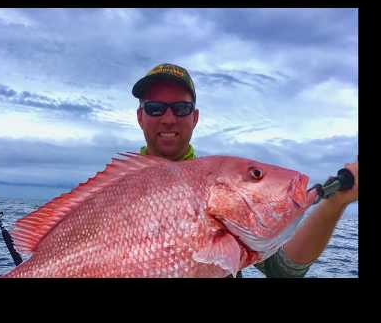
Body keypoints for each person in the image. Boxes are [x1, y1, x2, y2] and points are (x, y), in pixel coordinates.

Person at [132, 63, 359, 278]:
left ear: (195, 117)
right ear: (140, 117)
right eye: (155, 108)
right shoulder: (107, 196)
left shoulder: (218, 195)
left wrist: (335, 204)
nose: (169, 119)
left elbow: (285, 270)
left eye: (181, 108)